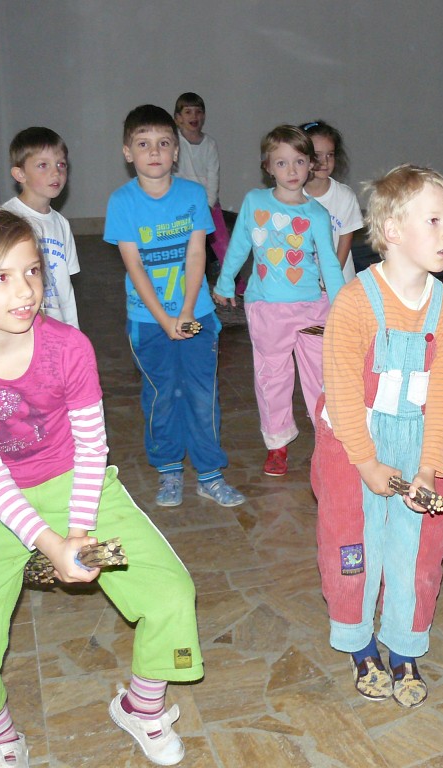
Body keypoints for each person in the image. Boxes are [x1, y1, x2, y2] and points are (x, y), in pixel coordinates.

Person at [0, 205, 203, 768]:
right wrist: (48, 543)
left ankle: (141, 706)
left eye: (32, 270)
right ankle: (0, 736)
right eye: (1, 277)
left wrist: (77, 532)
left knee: (170, 593)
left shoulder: (69, 347)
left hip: (81, 488)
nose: (25, 290)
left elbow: (90, 448)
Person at [311, 165, 443, 707]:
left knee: (417, 549)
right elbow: (341, 392)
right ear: (393, 230)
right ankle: (359, 643)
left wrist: (428, 468)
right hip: (353, 443)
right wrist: (367, 462)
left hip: (418, 441)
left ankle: (404, 645)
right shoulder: (355, 302)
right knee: (353, 545)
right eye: (434, 221)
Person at [104, 104, 245, 508]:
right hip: (148, 321)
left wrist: (185, 312)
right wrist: (164, 318)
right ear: (128, 152)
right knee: (162, 394)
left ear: (176, 151)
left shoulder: (192, 195)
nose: (154, 151)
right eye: (143, 144)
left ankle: (209, 474)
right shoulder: (122, 202)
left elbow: (197, 254)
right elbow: (134, 267)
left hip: (196, 316)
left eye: (164, 143)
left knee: (201, 393)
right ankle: (168, 470)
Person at [212, 125, 345, 477]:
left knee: (322, 377)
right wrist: (225, 282)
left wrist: (342, 306)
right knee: (272, 377)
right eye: (282, 163)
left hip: (313, 308)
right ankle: (277, 443)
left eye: (299, 161)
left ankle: (328, 439)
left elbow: (329, 262)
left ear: (310, 164)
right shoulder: (255, 203)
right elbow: (240, 244)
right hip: (268, 309)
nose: (291, 170)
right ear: (268, 167)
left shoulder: (316, 214)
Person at [2, 127, 81, 328]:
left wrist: (72, 329)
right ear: (20, 174)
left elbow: (65, 287)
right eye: (43, 165)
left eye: (61, 164)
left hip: (57, 327)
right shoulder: (7, 220)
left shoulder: (61, 224)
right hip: (24, 326)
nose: (56, 172)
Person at [172, 92, 238, 290]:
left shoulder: (209, 144)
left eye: (199, 112)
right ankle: (183, 277)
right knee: (183, 243)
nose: (194, 116)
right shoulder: (174, 143)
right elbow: (174, 174)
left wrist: (208, 204)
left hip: (207, 202)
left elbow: (213, 175)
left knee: (222, 243)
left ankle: (232, 282)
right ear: (178, 118)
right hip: (182, 203)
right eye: (188, 112)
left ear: (204, 116)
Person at [301, 120, 364, 285]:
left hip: (338, 282)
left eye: (330, 154)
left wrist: (329, 281)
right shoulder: (291, 197)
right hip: (303, 284)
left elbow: (345, 243)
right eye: (317, 155)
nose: (325, 161)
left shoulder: (344, 196)